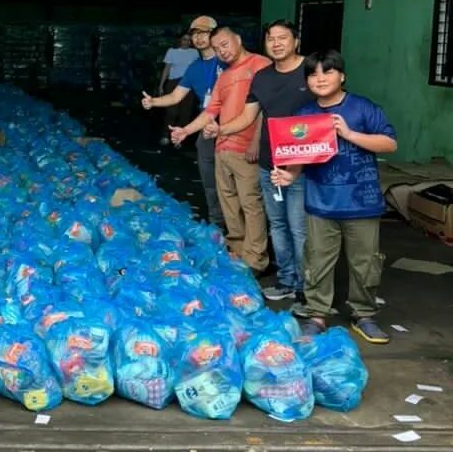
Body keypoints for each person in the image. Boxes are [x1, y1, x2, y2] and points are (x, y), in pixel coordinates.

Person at [271, 50, 396, 344]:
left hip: (361, 203)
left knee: (364, 262)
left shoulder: (363, 108)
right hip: (320, 203)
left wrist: (350, 134)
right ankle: (316, 315)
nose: (320, 78)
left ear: (342, 76)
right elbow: (299, 154)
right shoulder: (304, 114)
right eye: (313, 74)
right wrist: (289, 176)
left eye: (327, 72)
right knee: (317, 261)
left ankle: (364, 314)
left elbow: (389, 143)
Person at [217, 20, 314, 301]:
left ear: (296, 41)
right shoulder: (262, 77)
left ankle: (306, 286)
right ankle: (286, 280)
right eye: (271, 38)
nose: (276, 43)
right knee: (278, 225)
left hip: (304, 165)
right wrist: (219, 129)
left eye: (283, 38)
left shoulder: (311, 71)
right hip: (269, 163)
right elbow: (248, 117)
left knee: (300, 227)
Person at [170, 26, 271, 272]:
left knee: (251, 204)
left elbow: (267, 109)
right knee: (229, 203)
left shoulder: (261, 65)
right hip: (223, 147)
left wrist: (257, 142)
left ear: (238, 39)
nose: (221, 51)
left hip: (246, 148)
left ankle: (256, 259)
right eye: (216, 49)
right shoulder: (224, 76)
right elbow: (210, 111)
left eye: (224, 44)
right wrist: (186, 130)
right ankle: (237, 252)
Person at [142, 15, 224, 225]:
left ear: (216, 34)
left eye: (204, 33)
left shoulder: (227, 61)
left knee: (233, 180)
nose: (198, 38)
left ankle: (239, 230)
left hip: (230, 126)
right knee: (209, 180)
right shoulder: (195, 67)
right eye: (195, 33)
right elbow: (176, 96)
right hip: (206, 125)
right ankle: (218, 222)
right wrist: (154, 101)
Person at [156, 33, 199, 144]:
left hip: (189, 84)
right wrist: (161, 85)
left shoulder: (194, 53)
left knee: (185, 112)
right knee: (172, 112)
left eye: (189, 40)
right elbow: (166, 69)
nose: (187, 42)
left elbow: (197, 69)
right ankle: (165, 134)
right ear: (180, 40)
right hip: (173, 83)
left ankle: (178, 138)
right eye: (184, 39)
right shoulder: (172, 51)